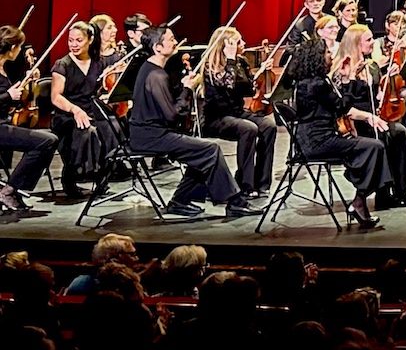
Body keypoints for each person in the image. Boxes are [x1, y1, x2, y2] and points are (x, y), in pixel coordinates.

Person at [127, 26, 253, 219]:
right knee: (209, 150)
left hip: (151, 133)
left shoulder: (153, 70)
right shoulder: (156, 76)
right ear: (157, 47)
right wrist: (187, 89)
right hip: (150, 136)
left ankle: (181, 200)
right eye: (170, 39)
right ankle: (235, 202)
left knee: (201, 151)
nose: (175, 41)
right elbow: (172, 116)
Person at [289, 27, 389, 228]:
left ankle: (360, 196)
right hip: (318, 142)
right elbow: (342, 107)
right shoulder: (316, 84)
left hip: (315, 138)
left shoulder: (308, 82)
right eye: (327, 53)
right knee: (374, 147)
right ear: (317, 58)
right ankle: (360, 199)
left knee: (372, 146)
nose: (330, 56)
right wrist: (350, 78)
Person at [331, 25, 406, 208]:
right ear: (355, 43)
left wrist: (389, 80)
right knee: (383, 135)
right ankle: (382, 192)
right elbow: (341, 106)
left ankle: (400, 189)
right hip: (354, 120)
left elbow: (376, 96)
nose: (372, 43)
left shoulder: (371, 66)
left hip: (373, 116)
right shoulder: (341, 68)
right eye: (368, 40)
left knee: (399, 132)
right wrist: (368, 116)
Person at [194, 26, 278, 199]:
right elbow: (228, 83)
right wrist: (231, 59)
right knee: (248, 128)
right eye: (239, 41)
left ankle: (261, 182)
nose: (244, 44)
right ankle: (245, 184)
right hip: (216, 117)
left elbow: (247, 91)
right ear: (226, 44)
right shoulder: (210, 65)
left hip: (237, 113)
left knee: (269, 125)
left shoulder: (242, 62)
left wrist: (260, 72)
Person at [49, 20, 121, 199]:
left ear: (90, 40)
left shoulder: (99, 62)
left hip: (92, 111)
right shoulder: (62, 65)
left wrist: (107, 96)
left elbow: (104, 88)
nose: (73, 44)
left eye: (78, 40)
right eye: (70, 40)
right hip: (68, 115)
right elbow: (56, 96)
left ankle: (103, 176)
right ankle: (71, 175)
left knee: (114, 127)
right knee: (87, 131)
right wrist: (75, 110)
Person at [0, 25, 57, 207]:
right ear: (12, 48)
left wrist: (24, 88)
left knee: (49, 139)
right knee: (46, 141)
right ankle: (9, 190)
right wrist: (8, 96)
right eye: (19, 47)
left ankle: (13, 189)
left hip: (4, 122)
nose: (20, 51)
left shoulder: (3, 68)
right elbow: (5, 97)